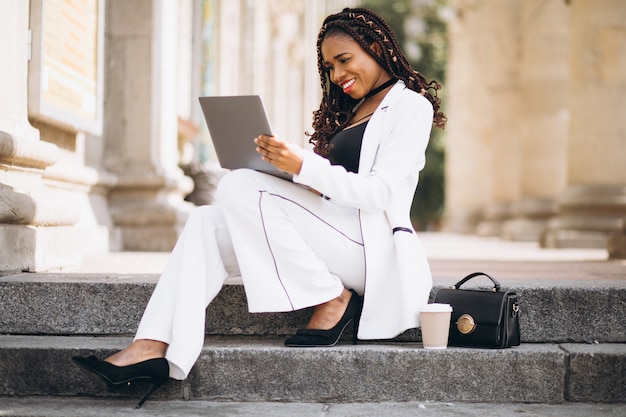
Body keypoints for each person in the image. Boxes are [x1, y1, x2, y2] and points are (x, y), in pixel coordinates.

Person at [72, 7, 446, 408]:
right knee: (207, 221)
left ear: (375, 48)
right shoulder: (351, 111)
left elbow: (380, 194)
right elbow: (330, 190)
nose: (337, 76)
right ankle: (151, 346)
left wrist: (304, 165)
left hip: (372, 250)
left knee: (240, 184)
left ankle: (332, 295)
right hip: (334, 232)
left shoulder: (411, 107)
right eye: (329, 66)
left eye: (344, 61)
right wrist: (290, 172)